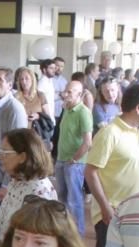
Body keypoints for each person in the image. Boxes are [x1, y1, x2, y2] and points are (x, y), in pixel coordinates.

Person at [85, 83, 139, 247]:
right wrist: (106, 207)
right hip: (112, 213)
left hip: (136, 211)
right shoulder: (109, 133)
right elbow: (90, 172)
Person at [0, 128, 58, 238]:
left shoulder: (37, 193)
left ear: (22, 157)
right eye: (0, 151)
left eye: (4, 153)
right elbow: (10, 216)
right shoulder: (17, 180)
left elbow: (36, 239)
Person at [55, 80, 94, 235]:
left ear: (79, 94)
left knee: (74, 200)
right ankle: (65, 231)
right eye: (66, 90)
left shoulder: (83, 112)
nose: (66, 94)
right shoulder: (66, 109)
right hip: (61, 159)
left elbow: (88, 142)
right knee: (62, 199)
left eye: (70, 92)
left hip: (74, 163)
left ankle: (78, 234)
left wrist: (75, 159)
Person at [0, 67, 29, 191]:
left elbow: (18, 149)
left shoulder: (14, 109)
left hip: (1, 177)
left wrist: (6, 184)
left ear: (9, 85)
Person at [14, 66, 53, 138]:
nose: (24, 82)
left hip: (37, 134)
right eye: (21, 79)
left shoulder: (40, 95)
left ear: (32, 79)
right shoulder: (16, 97)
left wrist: (38, 116)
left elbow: (48, 117)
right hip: (20, 134)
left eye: (27, 78)